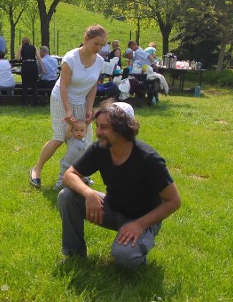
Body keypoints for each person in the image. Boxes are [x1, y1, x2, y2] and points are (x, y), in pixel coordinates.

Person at [58, 99, 181, 268]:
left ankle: (138, 249)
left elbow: (174, 201)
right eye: (98, 126)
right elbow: (69, 175)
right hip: (112, 208)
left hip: (142, 219)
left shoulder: (149, 159)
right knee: (67, 196)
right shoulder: (100, 149)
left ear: (122, 128)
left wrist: (140, 224)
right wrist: (89, 194)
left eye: (104, 127)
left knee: (125, 257)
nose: (98, 132)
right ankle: (75, 255)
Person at [30, 24, 107, 189]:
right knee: (60, 138)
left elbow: (93, 86)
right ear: (86, 40)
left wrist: (88, 109)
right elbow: (63, 86)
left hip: (81, 101)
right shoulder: (71, 58)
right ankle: (36, 170)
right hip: (61, 99)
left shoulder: (100, 61)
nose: (99, 48)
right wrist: (67, 111)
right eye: (96, 44)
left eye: (102, 44)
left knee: (84, 140)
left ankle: (80, 175)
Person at [55, 120, 90, 189]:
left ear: (86, 132)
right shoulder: (71, 138)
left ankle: (86, 180)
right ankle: (60, 184)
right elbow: (67, 133)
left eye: (82, 130)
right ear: (72, 131)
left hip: (81, 163)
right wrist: (70, 124)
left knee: (84, 171)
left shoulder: (85, 140)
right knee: (63, 173)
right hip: (68, 163)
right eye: (76, 130)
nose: (79, 132)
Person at [17, 36, 41, 105]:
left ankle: (24, 102)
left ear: (23, 42)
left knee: (24, 84)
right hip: (33, 66)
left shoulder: (21, 47)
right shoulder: (34, 47)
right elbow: (39, 57)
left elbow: (18, 58)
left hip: (25, 66)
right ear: (29, 41)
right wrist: (42, 67)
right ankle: (35, 102)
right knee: (34, 84)